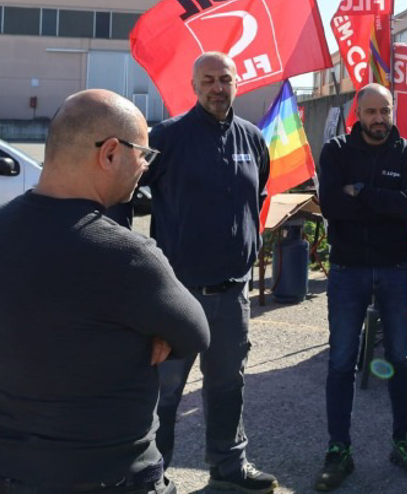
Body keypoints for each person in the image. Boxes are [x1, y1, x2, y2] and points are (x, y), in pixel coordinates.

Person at [0, 90, 210, 494]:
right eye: (143, 153)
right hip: (108, 477)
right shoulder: (125, 255)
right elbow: (196, 332)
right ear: (110, 153)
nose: (145, 166)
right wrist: (151, 331)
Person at [140, 52, 277, 491]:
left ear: (237, 83)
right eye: (209, 80)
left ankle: (229, 466)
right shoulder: (167, 137)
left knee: (226, 387)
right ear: (194, 85)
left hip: (231, 295)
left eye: (226, 79)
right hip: (177, 295)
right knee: (164, 393)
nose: (218, 87)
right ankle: (151, 476)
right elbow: (125, 193)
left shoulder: (253, 138)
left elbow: (256, 199)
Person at [315, 83, 407, 490]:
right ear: (357, 114)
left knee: (402, 358)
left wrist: (362, 192)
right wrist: (383, 200)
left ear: (392, 111)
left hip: (397, 269)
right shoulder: (336, 153)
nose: (379, 119)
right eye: (371, 112)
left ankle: (404, 441)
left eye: (385, 111)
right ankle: (338, 449)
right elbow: (330, 205)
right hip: (348, 269)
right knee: (340, 362)